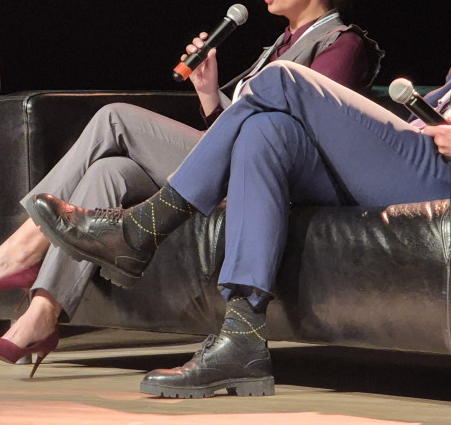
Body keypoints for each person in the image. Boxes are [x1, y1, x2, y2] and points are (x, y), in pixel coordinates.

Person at [0, 0, 382, 373]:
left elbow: (297, 137)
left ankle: (20, 250)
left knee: (116, 117)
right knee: (107, 173)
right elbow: (233, 128)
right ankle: (40, 315)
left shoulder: (343, 45)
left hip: (269, 183)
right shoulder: (277, 48)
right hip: (226, 169)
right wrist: (210, 93)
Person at [34, 60, 451, 396]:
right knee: (264, 131)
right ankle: (243, 337)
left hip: (436, 175)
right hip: (417, 149)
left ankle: (145, 227)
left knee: (281, 77)